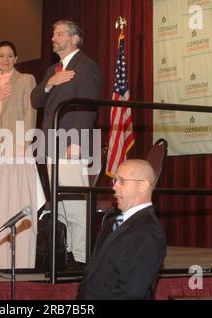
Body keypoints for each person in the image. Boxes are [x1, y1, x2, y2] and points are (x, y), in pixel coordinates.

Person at [30, 20, 101, 267]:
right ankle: (67, 254)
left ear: (74, 39)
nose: (53, 37)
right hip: (50, 144)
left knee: (74, 205)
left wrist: (78, 142)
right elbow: (35, 100)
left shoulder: (87, 66)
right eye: (53, 33)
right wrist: (51, 83)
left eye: (59, 33)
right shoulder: (53, 70)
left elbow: (87, 105)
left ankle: (82, 259)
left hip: (71, 144)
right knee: (59, 206)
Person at [76, 159, 167, 300]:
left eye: (122, 181)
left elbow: (131, 292)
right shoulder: (110, 224)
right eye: (115, 181)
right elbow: (92, 271)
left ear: (143, 186)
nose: (114, 187)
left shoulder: (149, 231)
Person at [0, 40, 37, 157]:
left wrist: (23, 145)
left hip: (18, 147)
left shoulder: (26, 80)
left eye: (10, 56)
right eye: (1, 56)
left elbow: (30, 115)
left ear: (15, 59)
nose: (5, 60)